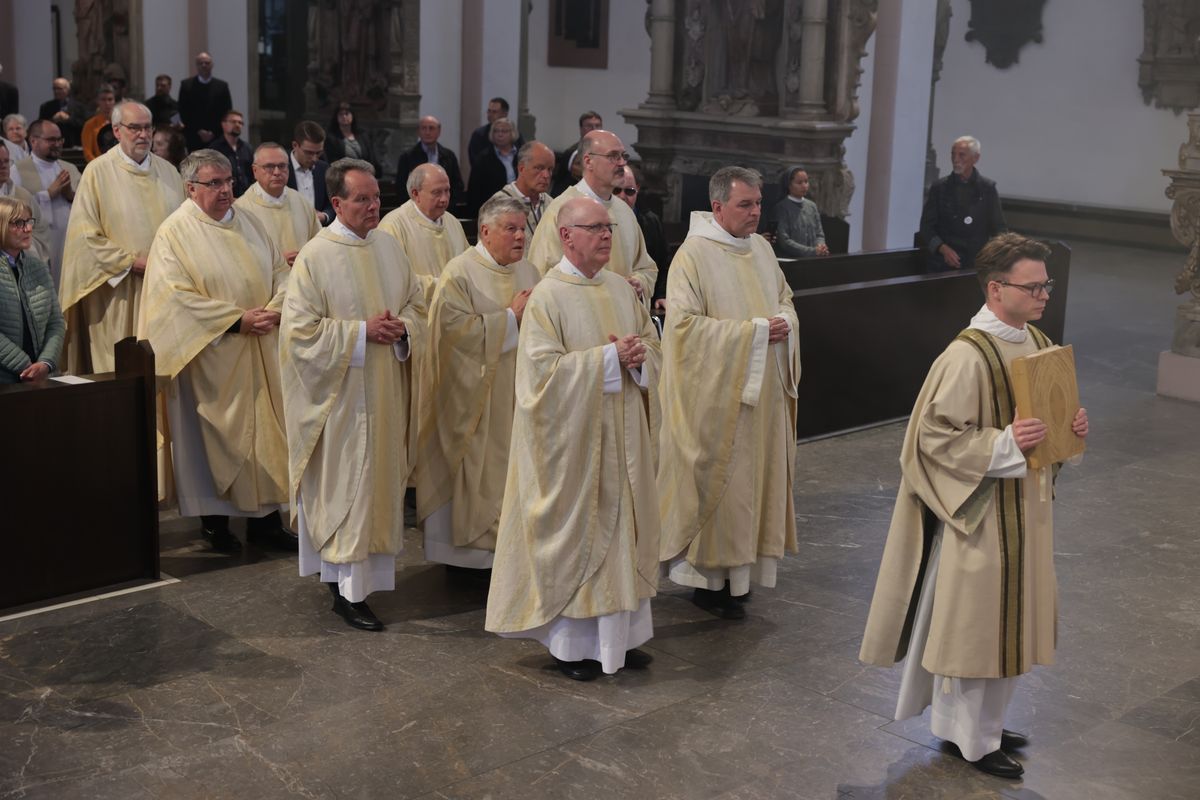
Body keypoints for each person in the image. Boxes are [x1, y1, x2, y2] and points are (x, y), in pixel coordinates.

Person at [859, 233, 1089, 779]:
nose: (1043, 296)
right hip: (982, 514)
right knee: (977, 628)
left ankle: (987, 723)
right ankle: (971, 739)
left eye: (1045, 286)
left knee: (1009, 622)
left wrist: (1070, 430)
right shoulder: (966, 356)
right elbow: (930, 441)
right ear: (995, 289)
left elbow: (1046, 422)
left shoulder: (1034, 341)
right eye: (1032, 287)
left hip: (1024, 510)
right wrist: (1006, 444)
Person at [485, 196, 661, 681]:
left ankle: (619, 640)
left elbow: (652, 343)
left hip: (622, 438)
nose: (607, 235)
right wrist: (607, 361)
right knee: (582, 535)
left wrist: (641, 355)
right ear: (566, 236)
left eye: (609, 227)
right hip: (573, 448)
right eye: (595, 228)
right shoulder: (548, 296)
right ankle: (574, 647)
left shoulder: (622, 290)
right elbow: (537, 380)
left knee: (623, 529)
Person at [280, 158, 427, 631]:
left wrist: (404, 327)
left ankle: (363, 583)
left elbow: (415, 304)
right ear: (337, 203)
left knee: (377, 487)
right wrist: (360, 333)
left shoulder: (389, 247)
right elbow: (298, 333)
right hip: (337, 403)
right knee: (347, 488)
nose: (372, 206)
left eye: (376, 198)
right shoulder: (315, 257)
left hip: (384, 393)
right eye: (361, 199)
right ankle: (345, 590)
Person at [657, 166, 801, 620]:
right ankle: (705, 580)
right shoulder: (693, 256)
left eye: (758, 203)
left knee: (752, 486)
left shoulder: (761, 248)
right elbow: (682, 329)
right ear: (717, 207)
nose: (756, 212)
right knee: (722, 484)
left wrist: (784, 323)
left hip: (761, 396)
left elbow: (786, 300)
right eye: (745, 204)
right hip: (715, 400)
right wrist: (756, 333)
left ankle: (739, 577)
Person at [137, 148, 293, 554]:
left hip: (260, 346)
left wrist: (275, 309)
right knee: (216, 440)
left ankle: (266, 523)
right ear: (191, 189)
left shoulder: (252, 223)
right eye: (214, 183)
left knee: (268, 437)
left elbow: (282, 272)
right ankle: (215, 523)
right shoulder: (174, 232)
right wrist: (234, 320)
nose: (226, 190)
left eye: (228, 182)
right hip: (211, 355)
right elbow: (172, 298)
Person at [416, 195, 539, 574]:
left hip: (516, 395)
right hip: (471, 399)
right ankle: (463, 559)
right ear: (485, 231)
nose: (520, 237)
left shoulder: (530, 273)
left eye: (523, 229)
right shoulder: (460, 273)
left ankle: (506, 553)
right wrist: (510, 319)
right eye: (511, 229)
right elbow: (452, 334)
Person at [59, 103, 184, 373]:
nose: (143, 134)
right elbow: (84, 238)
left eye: (147, 127)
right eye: (134, 128)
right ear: (116, 131)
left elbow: (187, 227)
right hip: (118, 292)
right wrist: (130, 263)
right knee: (120, 370)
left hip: (165, 288)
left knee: (163, 370)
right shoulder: (97, 172)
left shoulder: (170, 173)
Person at [527, 130, 656, 305]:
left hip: (621, 317)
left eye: (623, 156)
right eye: (613, 156)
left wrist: (639, 283)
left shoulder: (624, 211)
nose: (621, 163)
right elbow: (542, 273)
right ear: (588, 161)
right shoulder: (561, 209)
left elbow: (645, 267)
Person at [378, 163, 469, 299]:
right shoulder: (393, 225)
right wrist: (445, 285)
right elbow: (394, 279)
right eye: (437, 192)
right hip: (418, 314)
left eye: (447, 190)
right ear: (415, 194)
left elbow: (467, 264)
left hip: (455, 310)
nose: (444, 199)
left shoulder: (452, 222)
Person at [0, 196, 63, 384]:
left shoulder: (37, 266)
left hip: (41, 377)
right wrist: (26, 366)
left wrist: (45, 362)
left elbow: (56, 322)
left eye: (28, 221)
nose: (28, 229)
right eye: (18, 223)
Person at [920, 136, 1007, 272]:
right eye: (953, 154)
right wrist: (942, 248)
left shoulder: (987, 188)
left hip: (976, 265)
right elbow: (926, 226)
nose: (955, 159)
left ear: (975, 158)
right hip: (942, 264)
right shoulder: (939, 187)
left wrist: (994, 257)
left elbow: (999, 228)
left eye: (961, 155)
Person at [234, 142, 321, 268]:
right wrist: (276, 261)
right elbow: (239, 257)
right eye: (269, 166)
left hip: (303, 280)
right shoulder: (241, 209)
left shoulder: (301, 201)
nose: (277, 172)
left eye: (282, 166)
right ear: (255, 170)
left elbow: (317, 242)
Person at [16, 120, 80, 282]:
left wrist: (70, 194)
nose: (57, 144)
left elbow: (87, 205)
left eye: (60, 140)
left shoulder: (70, 169)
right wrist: (48, 194)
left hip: (69, 240)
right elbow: (13, 208)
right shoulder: (17, 170)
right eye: (51, 140)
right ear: (33, 141)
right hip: (37, 241)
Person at [615, 165, 669, 310]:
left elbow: (662, 262)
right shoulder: (599, 218)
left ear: (637, 188)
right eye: (616, 190)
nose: (622, 196)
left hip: (644, 297)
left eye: (629, 191)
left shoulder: (650, 221)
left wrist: (661, 294)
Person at [394, 115, 465, 212]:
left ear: (439, 131)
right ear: (418, 131)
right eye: (423, 128)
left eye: (431, 128)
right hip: (415, 210)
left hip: (445, 209)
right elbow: (401, 187)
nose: (427, 132)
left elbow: (458, 185)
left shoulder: (449, 156)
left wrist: (448, 205)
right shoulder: (407, 157)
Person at [492, 141, 554, 238]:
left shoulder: (553, 204)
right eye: (539, 168)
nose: (546, 175)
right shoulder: (498, 204)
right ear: (521, 168)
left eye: (550, 169)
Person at [0, 146, 50, 263]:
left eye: (6, 161)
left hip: (22, 264)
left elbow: (41, 228)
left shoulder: (23, 195)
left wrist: (24, 245)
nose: (3, 166)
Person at [178, 52, 233, 152]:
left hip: (217, 137)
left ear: (212, 65)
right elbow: (183, 111)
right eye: (200, 63)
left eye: (207, 63)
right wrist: (199, 131)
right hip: (194, 137)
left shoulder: (222, 86)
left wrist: (213, 132)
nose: (204, 65)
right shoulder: (186, 85)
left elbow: (227, 112)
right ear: (196, 65)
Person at [773, 165, 828, 258]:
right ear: (789, 185)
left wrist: (821, 247)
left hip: (814, 259)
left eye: (806, 182)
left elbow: (819, 233)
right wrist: (812, 251)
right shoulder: (781, 207)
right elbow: (784, 241)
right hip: (791, 262)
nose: (804, 186)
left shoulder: (812, 206)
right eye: (799, 182)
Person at [467, 117, 519, 216]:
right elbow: (474, 190)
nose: (500, 134)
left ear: (512, 133)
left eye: (504, 131)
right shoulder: (483, 158)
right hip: (493, 210)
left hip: (519, 207)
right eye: (496, 131)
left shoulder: (521, 156)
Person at [286, 121, 333, 225]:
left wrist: (324, 216)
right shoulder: (281, 168)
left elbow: (333, 203)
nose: (314, 158)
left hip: (319, 232)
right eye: (309, 152)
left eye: (318, 152)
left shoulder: (324, 168)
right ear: (295, 145)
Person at [552, 110, 603, 196]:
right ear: (581, 128)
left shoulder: (603, 150)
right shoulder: (573, 153)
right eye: (589, 126)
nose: (594, 129)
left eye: (597, 125)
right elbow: (581, 174)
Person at [467, 97, 525, 167]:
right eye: (489, 111)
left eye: (494, 112)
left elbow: (523, 156)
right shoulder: (479, 134)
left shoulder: (515, 134)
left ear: (505, 114)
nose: (490, 115)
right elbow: (475, 160)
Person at [323, 102, 379, 175]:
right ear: (336, 117)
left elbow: (371, 157)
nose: (344, 116)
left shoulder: (362, 135)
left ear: (352, 116)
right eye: (341, 114)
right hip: (343, 175)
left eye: (347, 114)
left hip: (364, 174)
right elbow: (332, 161)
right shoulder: (331, 137)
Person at [210, 110, 253, 197]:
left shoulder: (247, 148)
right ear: (223, 124)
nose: (237, 125)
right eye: (233, 122)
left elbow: (252, 172)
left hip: (247, 197)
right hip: (224, 196)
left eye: (240, 123)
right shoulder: (215, 148)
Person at [37, 78, 89, 149]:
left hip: (73, 146)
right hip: (52, 146)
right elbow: (40, 126)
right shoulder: (46, 106)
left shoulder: (79, 106)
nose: (56, 91)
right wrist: (53, 120)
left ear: (67, 89)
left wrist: (69, 119)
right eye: (54, 89)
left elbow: (85, 125)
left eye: (59, 89)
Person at [81, 84, 117, 161]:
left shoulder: (121, 122)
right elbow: (87, 152)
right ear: (98, 101)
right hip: (98, 165)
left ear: (114, 101)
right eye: (103, 100)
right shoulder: (90, 125)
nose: (107, 103)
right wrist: (99, 167)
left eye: (110, 99)